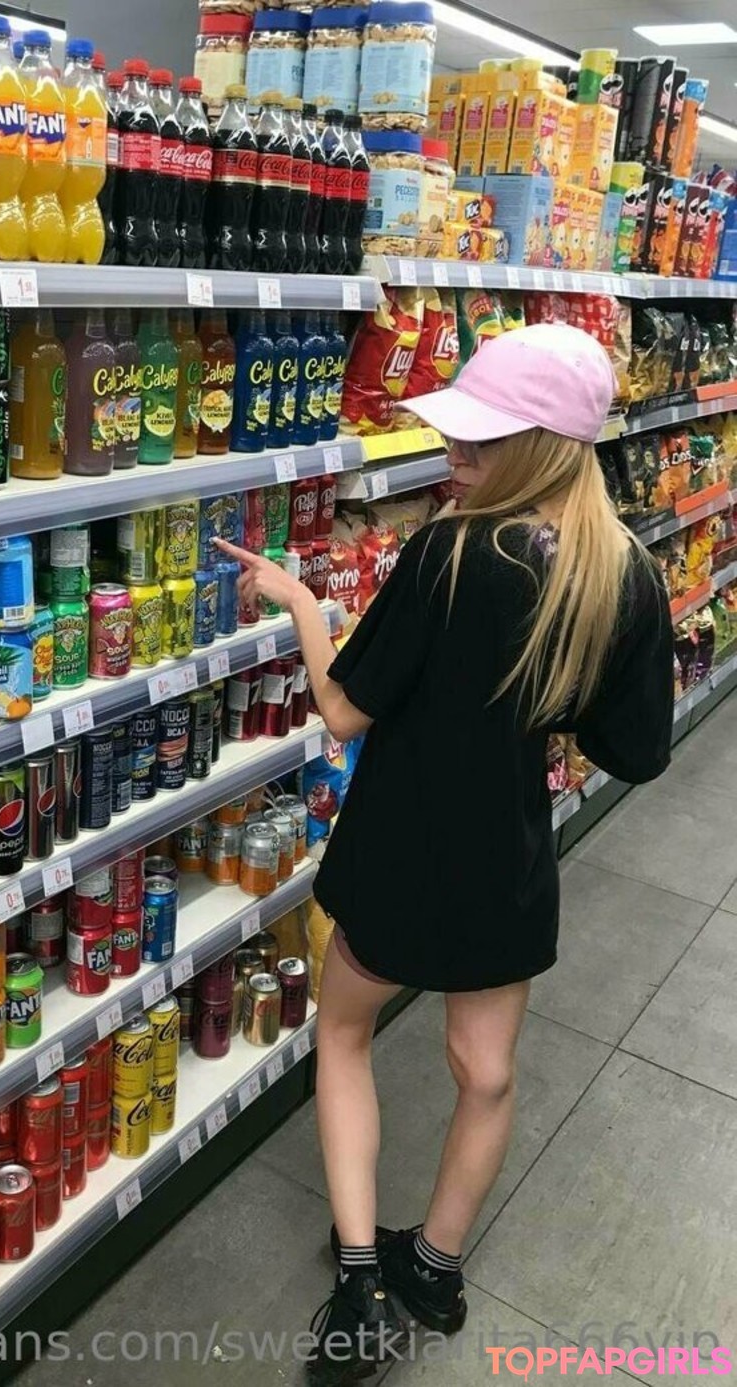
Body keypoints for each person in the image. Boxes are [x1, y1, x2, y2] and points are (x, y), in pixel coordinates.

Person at [215, 324, 675, 1381]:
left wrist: (303, 605)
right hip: (506, 865)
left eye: (479, 440)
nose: (453, 456)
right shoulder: (627, 576)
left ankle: (359, 1282)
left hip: (398, 851)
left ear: (538, 447)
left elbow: (343, 712)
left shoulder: (450, 553)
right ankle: (436, 1268)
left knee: (342, 1035)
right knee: (486, 1071)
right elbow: (635, 752)